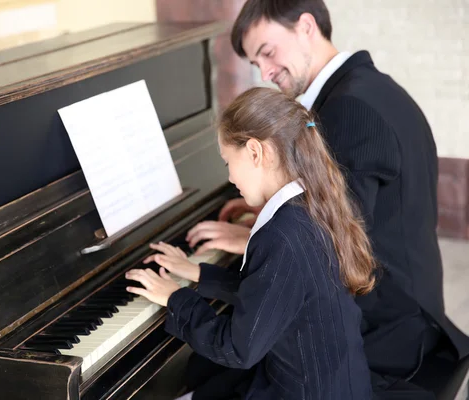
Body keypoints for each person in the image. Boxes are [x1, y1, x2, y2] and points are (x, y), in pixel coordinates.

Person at [185, 0, 469, 396]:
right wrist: (259, 213)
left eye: (267, 52)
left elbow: (325, 243)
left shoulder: (346, 109)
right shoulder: (370, 88)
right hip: (406, 302)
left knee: (227, 370)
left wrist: (247, 240)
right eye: (256, 63)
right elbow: (353, 210)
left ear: (306, 27)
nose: (265, 72)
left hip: (389, 329)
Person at [125, 87, 375, 400]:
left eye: (227, 162)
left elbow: (235, 349)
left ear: (255, 152)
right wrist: (200, 274)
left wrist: (176, 298)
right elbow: (276, 296)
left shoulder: (280, 235)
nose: (229, 177)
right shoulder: (310, 206)